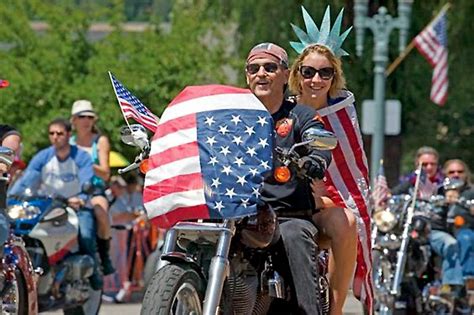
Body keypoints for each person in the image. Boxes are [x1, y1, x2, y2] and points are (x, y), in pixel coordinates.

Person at [287, 6, 372, 314]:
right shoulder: (281, 109)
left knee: (347, 221)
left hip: (324, 204)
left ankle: (334, 310)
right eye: (308, 72)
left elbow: (350, 170)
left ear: (334, 76)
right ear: (297, 74)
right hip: (281, 197)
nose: (316, 79)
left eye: (325, 72)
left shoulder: (342, 114)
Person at [245, 42, 332, 314]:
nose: (261, 73)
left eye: (270, 67)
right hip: (238, 213)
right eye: (254, 68)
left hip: (288, 214)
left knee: (295, 235)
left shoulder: (300, 115)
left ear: (285, 75)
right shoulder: (233, 114)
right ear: (247, 75)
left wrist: (315, 158)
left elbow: (319, 141)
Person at [8, 118, 102, 289]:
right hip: (47, 207)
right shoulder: (43, 157)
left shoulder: (81, 157)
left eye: (59, 133)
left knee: (86, 235)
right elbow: (26, 180)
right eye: (52, 133)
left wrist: (81, 197)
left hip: (75, 206)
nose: (55, 137)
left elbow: (87, 181)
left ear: (68, 135)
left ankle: (94, 274)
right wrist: (11, 197)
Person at [391, 147, 464, 295]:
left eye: (432, 164)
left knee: (451, 243)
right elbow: (392, 196)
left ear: (438, 166)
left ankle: (450, 287)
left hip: (434, 230)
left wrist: (452, 196)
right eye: (424, 164)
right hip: (410, 230)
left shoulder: (444, 185)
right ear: (417, 164)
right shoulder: (409, 182)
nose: (429, 167)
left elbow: (455, 194)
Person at [70, 100, 114, 275]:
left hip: (94, 189)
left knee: (101, 213)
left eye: (90, 117)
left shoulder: (100, 141)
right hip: (72, 190)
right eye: (82, 117)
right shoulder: (69, 142)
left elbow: (105, 173)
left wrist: (86, 163)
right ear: (74, 120)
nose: (86, 120)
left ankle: (104, 256)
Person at [443, 159, 474, 290]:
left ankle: (469, 280)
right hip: (441, 231)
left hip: (465, 229)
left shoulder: (471, 192)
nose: (456, 175)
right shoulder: (439, 190)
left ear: (466, 174)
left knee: (465, 238)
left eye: (460, 172)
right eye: (451, 172)